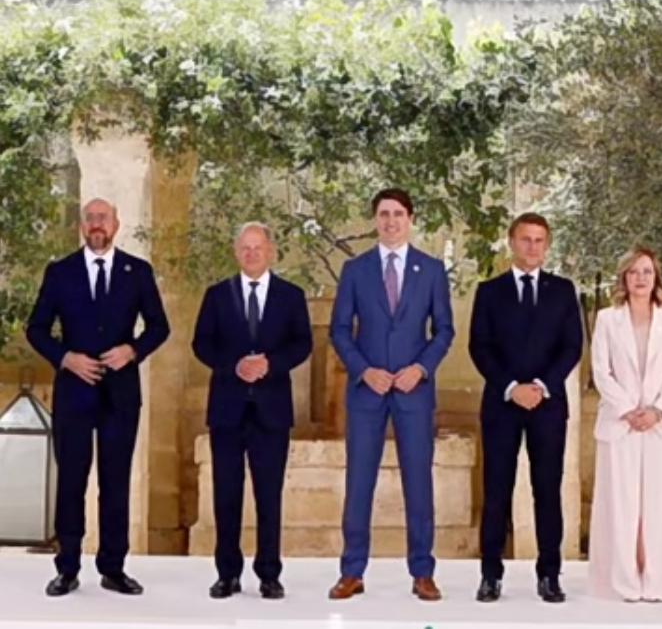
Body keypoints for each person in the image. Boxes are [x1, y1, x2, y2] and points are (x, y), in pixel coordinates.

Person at [25, 197, 170, 597]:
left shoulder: (137, 272)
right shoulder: (60, 272)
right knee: (71, 481)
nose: (96, 224)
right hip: (74, 394)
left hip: (121, 395)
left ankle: (113, 568)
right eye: (90, 218)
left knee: (115, 481)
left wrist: (133, 350)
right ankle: (67, 568)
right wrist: (65, 358)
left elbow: (159, 327)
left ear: (115, 225)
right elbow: (36, 329)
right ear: (82, 226)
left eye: (103, 218)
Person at [327, 188, 454, 602]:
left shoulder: (431, 270)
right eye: (384, 214)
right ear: (375, 220)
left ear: (410, 219)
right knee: (359, 481)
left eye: (398, 214)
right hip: (368, 392)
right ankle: (352, 572)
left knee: (418, 483)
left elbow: (444, 330)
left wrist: (420, 369)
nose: (391, 221)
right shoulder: (355, 270)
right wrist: (365, 371)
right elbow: (340, 330)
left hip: (414, 392)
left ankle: (423, 572)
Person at [191, 222, 312, 600]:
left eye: (258, 247)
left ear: (270, 251)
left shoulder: (291, 296)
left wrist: (270, 364)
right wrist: (235, 366)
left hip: (271, 411)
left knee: (269, 496)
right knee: (226, 495)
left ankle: (269, 574)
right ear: (236, 252)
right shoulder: (216, 295)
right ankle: (227, 574)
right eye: (245, 248)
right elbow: (202, 343)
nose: (252, 254)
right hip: (227, 410)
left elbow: (302, 344)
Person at [469, 213, 583, 603]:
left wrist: (541, 386)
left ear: (546, 246)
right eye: (525, 239)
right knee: (496, 490)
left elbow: (572, 346)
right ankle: (490, 575)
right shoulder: (489, 291)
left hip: (547, 404)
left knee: (547, 490)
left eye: (539, 240)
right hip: (502, 404)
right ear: (511, 242)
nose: (532, 246)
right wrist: (511, 387)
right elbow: (479, 346)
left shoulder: (563, 291)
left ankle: (549, 575)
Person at [588, 247, 662, 602]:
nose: (641, 278)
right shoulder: (607, 319)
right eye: (633, 272)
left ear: (656, 276)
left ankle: (659, 579)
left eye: (647, 271)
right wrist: (629, 410)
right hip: (621, 425)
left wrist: (657, 410)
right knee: (621, 504)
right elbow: (601, 371)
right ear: (624, 278)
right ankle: (623, 581)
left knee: (659, 504)